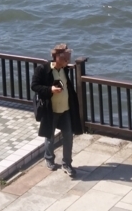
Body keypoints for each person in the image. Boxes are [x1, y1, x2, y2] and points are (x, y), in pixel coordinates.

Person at [31, 43, 83, 177]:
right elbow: (34, 86)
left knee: (68, 136)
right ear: (57, 58)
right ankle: (49, 159)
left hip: (65, 109)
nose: (68, 61)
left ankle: (67, 163)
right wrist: (50, 90)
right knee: (49, 135)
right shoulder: (43, 69)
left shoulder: (65, 70)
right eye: (66, 58)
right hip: (51, 109)